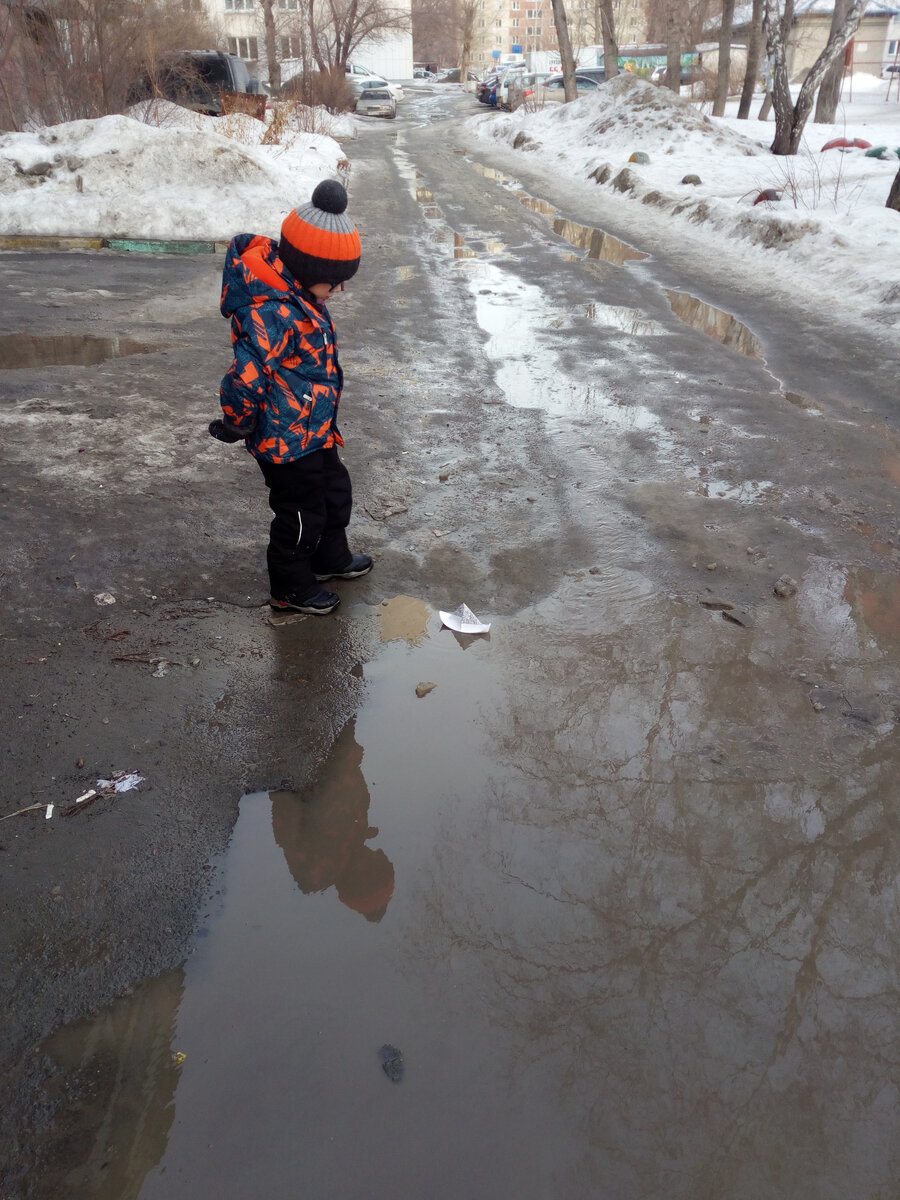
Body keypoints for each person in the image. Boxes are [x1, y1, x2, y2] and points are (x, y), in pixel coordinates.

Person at [209, 179, 372, 615]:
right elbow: (247, 373)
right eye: (334, 283)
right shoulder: (270, 311)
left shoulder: (300, 297)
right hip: (283, 442)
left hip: (312, 431)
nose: (339, 292)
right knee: (300, 514)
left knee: (335, 493)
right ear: (306, 268)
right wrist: (236, 420)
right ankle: (290, 586)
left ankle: (329, 559)